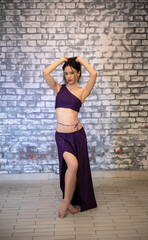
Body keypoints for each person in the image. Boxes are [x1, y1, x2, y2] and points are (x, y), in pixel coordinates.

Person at [43, 56, 97, 219]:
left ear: (78, 73)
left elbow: (94, 74)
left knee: (74, 168)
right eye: (66, 73)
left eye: (72, 73)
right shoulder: (59, 89)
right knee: (72, 166)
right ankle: (67, 202)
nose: (69, 76)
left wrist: (81, 59)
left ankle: (68, 203)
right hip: (62, 137)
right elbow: (46, 72)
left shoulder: (82, 92)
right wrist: (61, 60)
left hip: (77, 135)